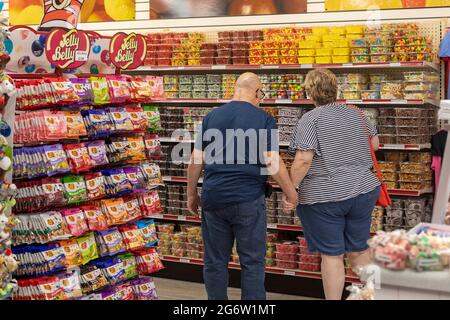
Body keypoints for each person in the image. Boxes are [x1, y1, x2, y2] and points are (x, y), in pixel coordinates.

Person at [187, 72, 298, 300]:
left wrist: (191, 195)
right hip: (248, 199)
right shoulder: (264, 119)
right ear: (257, 92)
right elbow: (272, 161)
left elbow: (195, 161)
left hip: (213, 197)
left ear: (235, 89)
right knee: (252, 262)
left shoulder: (211, 117)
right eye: (262, 95)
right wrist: (291, 193)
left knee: (215, 262)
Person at [284, 69, 381, 300]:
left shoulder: (310, 119)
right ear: (335, 89)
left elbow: (304, 159)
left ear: (310, 92)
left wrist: (291, 191)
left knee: (332, 254)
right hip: (363, 190)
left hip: (325, 197)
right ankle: (378, 294)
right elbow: (374, 145)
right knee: (358, 248)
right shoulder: (357, 113)